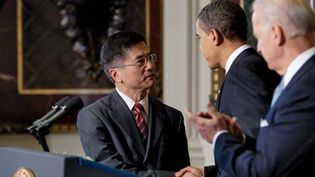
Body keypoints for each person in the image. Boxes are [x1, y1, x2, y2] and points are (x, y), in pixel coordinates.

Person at [183, 0, 315, 176]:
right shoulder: (299, 79)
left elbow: (265, 168)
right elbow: (276, 150)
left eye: (259, 37)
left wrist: (220, 136)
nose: (258, 47)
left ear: (276, 34)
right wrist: (239, 140)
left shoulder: (304, 85)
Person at [177, 0, 280, 176]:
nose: (200, 47)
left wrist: (218, 135)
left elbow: (259, 146)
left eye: (199, 38)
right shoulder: (254, 64)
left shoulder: (241, 74)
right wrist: (207, 173)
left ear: (214, 36)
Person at [77, 31, 190, 176]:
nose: (150, 66)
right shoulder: (94, 117)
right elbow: (111, 172)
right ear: (116, 75)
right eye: (140, 61)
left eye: (150, 57)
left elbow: (184, 172)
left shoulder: (173, 117)